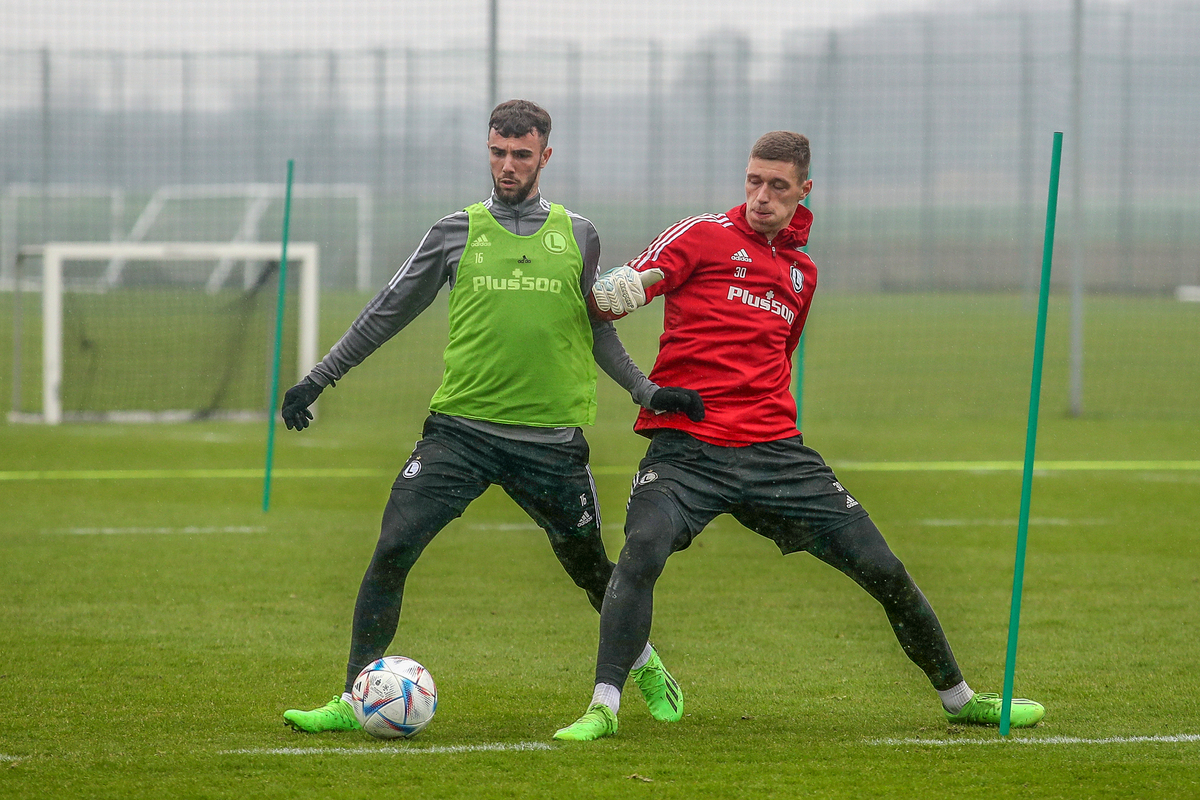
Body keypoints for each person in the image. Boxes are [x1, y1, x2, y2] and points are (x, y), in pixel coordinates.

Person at [552, 130, 1046, 741]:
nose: (762, 196)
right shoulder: (702, 234)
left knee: (884, 570)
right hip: (688, 449)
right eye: (754, 181)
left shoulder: (801, 273)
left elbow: (779, 355)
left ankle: (962, 699)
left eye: (777, 186)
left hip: (778, 456)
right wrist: (625, 288)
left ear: (803, 191)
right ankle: (604, 706)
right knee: (640, 553)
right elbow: (641, 281)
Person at [280, 100, 704, 734]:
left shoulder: (579, 235)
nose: (508, 166)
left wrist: (645, 392)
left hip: (551, 442)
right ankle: (353, 696)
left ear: (545, 157)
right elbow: (387, 312)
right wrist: (319, 378)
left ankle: (640, 661)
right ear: (489, 150)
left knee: (592, 572)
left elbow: (595, 331)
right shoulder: (455, 232)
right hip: (460, 434)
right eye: (498, 153)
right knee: (392, 549)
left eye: (521, 155)